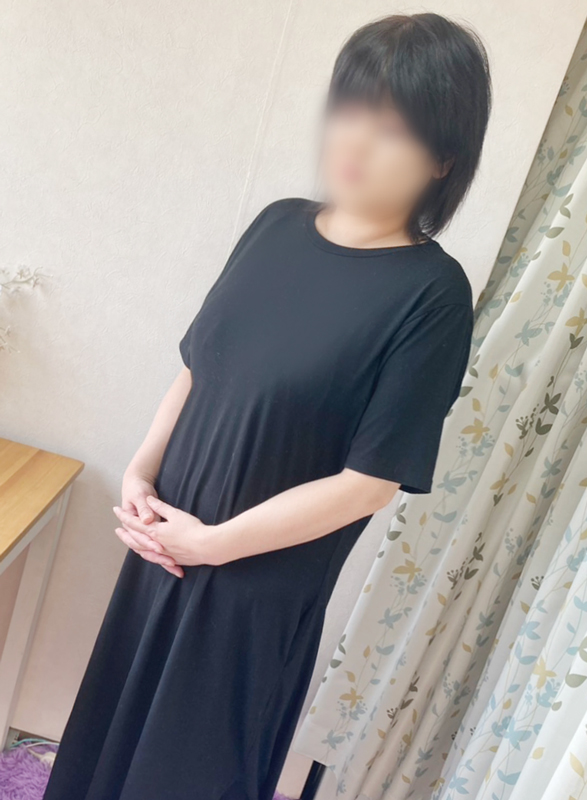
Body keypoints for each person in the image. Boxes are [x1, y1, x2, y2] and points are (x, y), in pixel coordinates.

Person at [43, 12, 491, 800]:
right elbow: (200, 369)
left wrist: (214, 545)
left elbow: (368, 484)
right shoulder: (277, 225)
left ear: (442, 158)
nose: (356, 140)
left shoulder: (432, 294)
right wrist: (141, 473)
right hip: (165, 547)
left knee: (183, 774)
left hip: (252, 593)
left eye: (392, 128)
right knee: (106, 748)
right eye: (350, 108)